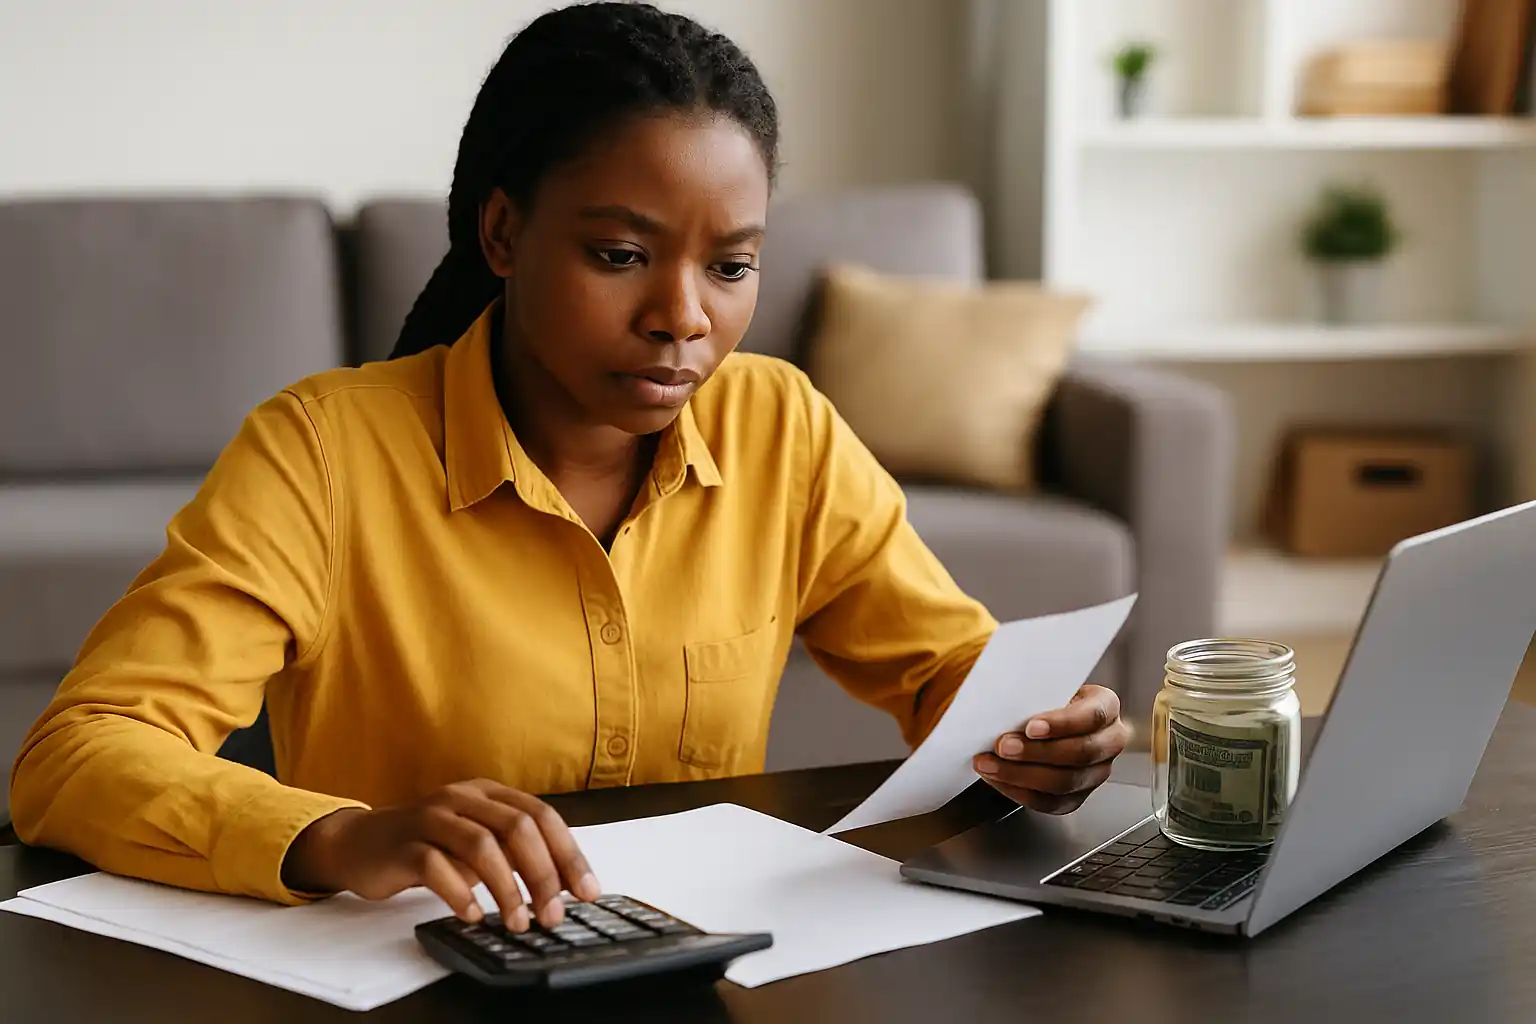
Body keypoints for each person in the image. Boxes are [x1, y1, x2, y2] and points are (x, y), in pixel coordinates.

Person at [8, 2, 1129, 934]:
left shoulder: (779, 425)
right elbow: (76, 756)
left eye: (732, 265)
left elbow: (948, 674)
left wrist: (1035, 742)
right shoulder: (322, 453)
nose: (683, 318)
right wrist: (341, 835)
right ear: (502, 235)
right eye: (621, 256)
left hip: (701, 968)